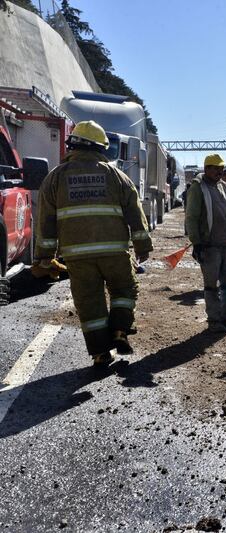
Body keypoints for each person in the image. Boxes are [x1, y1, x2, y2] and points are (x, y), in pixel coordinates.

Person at [34, 120, 152, 366]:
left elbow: (45, 219)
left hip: (77, 256)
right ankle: (120, 331)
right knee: (123, 290)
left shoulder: (55, 177)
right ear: (100, 147)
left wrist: (45, 255)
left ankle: (100, 352)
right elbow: (134, 211)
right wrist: (142, 245)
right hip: (115, 252)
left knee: (89, 302)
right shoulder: (115, 175)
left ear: (72, 145)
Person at [185, 154, 226, 333]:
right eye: (216, 168)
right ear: (206, 168)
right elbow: (192, 217)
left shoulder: (224, 186)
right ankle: (214, 320)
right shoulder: (198, 188)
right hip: (209, 245)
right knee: (211, 285)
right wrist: (197, 243)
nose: (220, 171)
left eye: (221, 168)